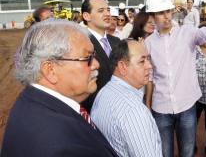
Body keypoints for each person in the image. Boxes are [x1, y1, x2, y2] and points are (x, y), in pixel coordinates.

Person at [0, 20, 118, 157]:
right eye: (87, 58)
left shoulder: (32, 100)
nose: (96, 64)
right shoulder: (65, 148)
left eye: (94, 55)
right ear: (50, 70)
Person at [144, 0, 206, 157]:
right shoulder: (148, 44)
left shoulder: (187, 33)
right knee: (165, 153)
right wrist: (148, 107)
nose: (166, 16)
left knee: (187, 152)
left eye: (167, 11)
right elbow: (150, 78)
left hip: (186, 106)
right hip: (161, 108)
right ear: (152, 16)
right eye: (160, 13)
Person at [91, 39, 163, 157]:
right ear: (122, 67)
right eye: (142, 61)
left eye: (148, 59)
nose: (149, 66)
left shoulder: (104, 92)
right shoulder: (134, 112)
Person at [81, 0, 120, 113]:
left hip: (120, 108)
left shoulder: (116, 41)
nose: (107, 14)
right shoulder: (81, 44)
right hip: (95, 111)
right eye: (101, 11)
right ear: (86, 16)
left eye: (108, 10)